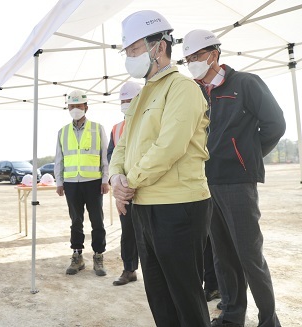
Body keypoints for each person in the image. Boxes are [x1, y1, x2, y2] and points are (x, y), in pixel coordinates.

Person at [110, 10, 212, 326]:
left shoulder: (183, 88)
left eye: (135, 49)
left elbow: (169, 147)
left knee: (186, 298)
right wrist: (115, 177)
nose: (130, 58)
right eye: (127, 52)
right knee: (159, 298)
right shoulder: (143, 95)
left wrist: (130, 182)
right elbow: (123, 144)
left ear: (160, 46)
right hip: (144, 207)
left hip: (179, 207)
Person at [183, 29, 286, 327]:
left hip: (237, 183)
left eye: (197, 56)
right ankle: (231, 315)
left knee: (249, 255)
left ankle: (269, 320)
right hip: (207, 182)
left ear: (214, 54)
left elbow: (275, 124)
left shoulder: (245, 83)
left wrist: (247, 155)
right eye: (188, 58)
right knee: (221, 256)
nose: (192, 62)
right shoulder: (196, 92)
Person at [54, 89, 110, 277]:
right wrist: (59, 182)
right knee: (76, 221)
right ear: (67, 108)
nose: (75, 109)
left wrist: (105, 179)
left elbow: (105, 156)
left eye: (79, 105)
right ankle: (77, 256)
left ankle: (98, 255)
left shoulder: (97, 128)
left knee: (97, 220)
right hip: (71, 183)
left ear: (86, 107)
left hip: (93, 182)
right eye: (72, 106)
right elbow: (59, 159)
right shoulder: (63, 132)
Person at [107, 81, 142, 286]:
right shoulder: (117, 128)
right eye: (123, 101)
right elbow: (112, 155)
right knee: (127, 232)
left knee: (149, 233)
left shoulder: (150, 121)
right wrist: (117, 178)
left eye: (129, 100)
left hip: (147, 185)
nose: (126, 104)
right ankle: (129, 269)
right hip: (125, 189)